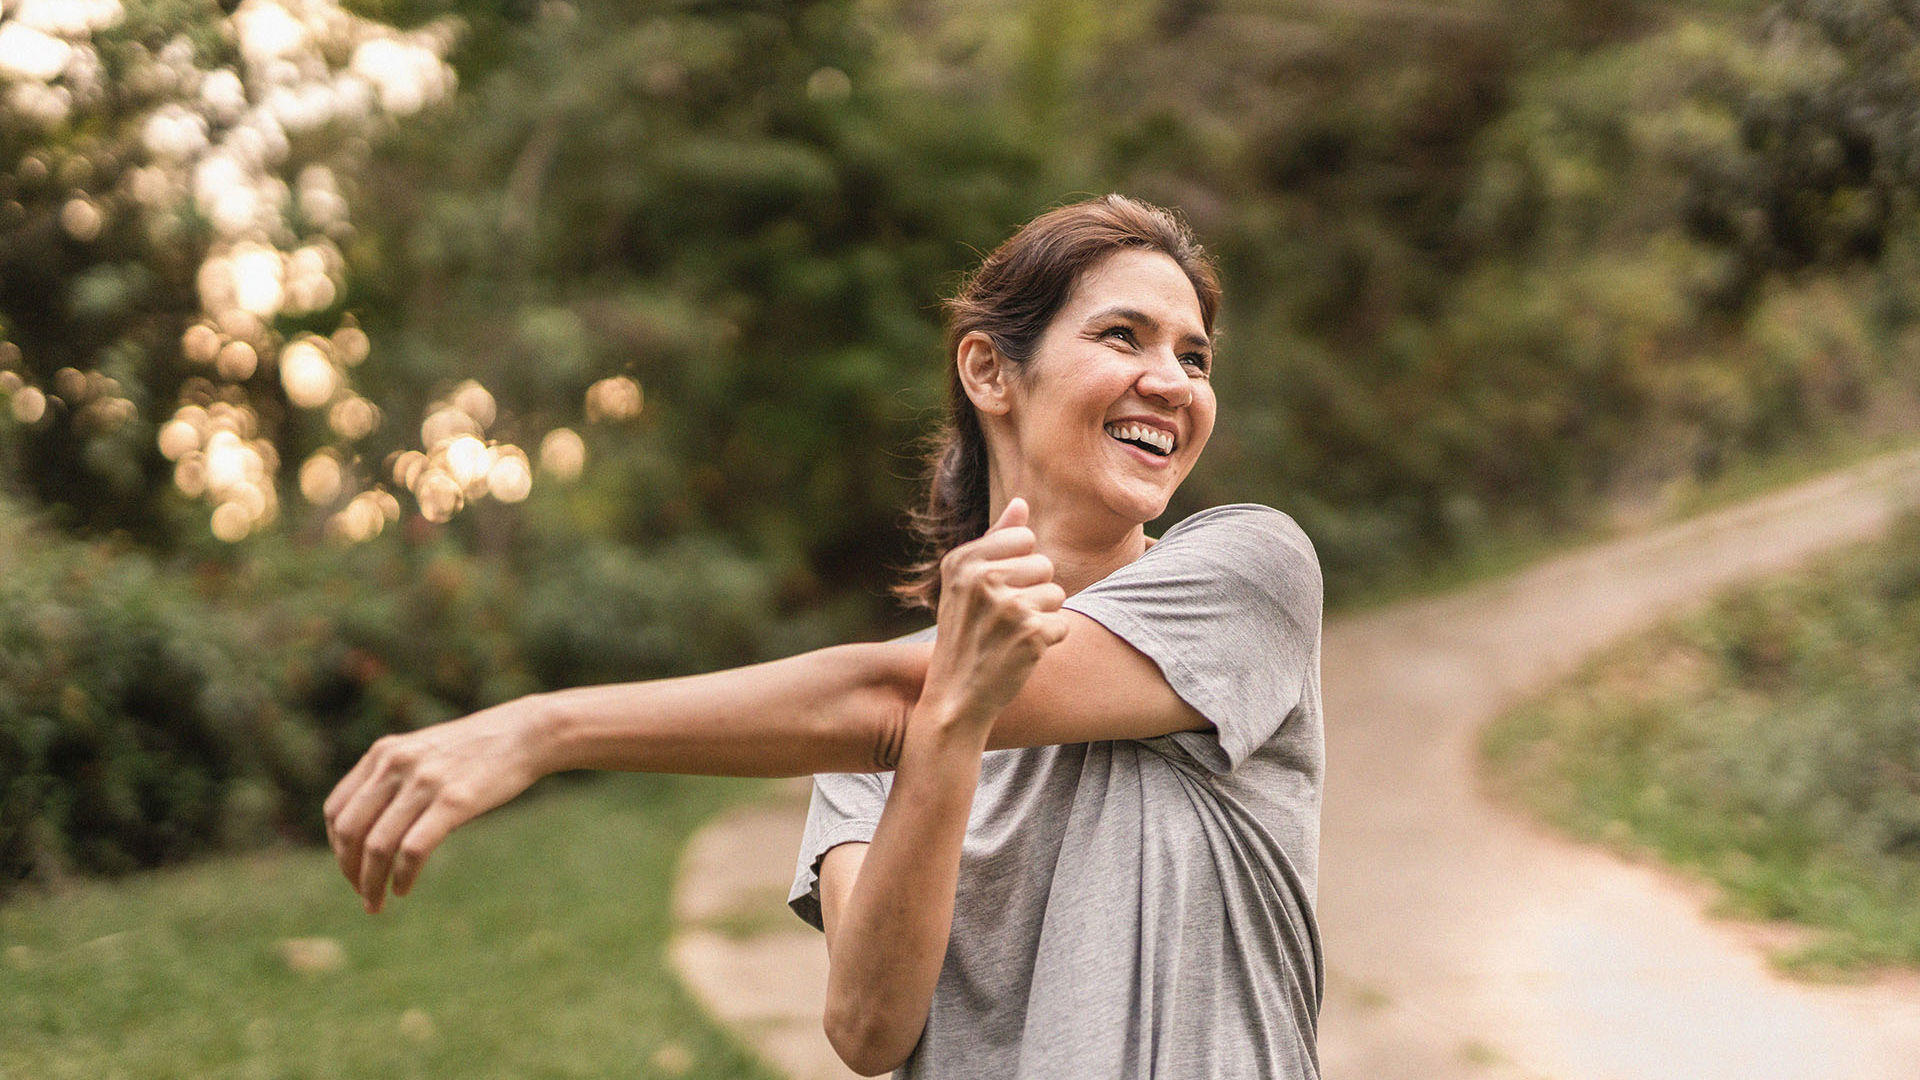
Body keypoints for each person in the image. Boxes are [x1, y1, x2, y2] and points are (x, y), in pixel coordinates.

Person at [323, 194, 1324, 1079]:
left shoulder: (1250, 576)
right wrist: (945, 736)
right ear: (990, 370)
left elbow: (889, 700)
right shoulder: (861, 755)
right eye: (1123, 337)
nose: (1175, 382)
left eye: (1193, 356)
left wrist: (544, 730)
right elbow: (868, 1029)